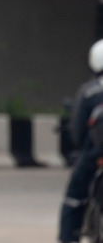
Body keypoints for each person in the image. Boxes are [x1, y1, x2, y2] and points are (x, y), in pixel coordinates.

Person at [58, 39, 103, 243]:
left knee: (73, 200)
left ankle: (67, 239)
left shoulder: (88, 91)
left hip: (95, 156)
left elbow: (77, 132)